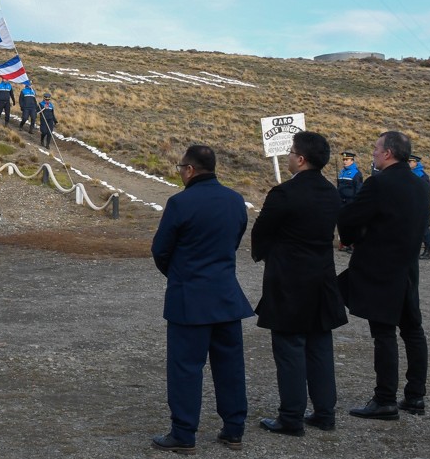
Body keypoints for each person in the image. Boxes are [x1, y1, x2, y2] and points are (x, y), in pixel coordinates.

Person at [149, 144, 254, 453]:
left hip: (189, 298)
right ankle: (234, 429)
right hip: (226, 296)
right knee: (230, 366)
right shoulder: (236, 200)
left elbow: (160, 250)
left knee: (185, 368)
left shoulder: (180, 203)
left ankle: (184, 433)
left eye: (181, 168)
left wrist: (179, 274)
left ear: (190, 169)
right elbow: (233, 242)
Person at [250, 131, 347, 436]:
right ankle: (325, 413)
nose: (289, 157)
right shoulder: (332, 193)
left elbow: (261, 233)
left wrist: (267, 255)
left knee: (290, 348)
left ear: (301, 159)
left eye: (291, 152)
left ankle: (291, 417)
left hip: (289, 281)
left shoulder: (284, 193)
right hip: (322, 279)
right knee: (320, 346)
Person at [338, 130, 430, 420]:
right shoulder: (420, 185)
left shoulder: (378, 183)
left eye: (377, 149)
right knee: (412, 330)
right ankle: (415, 396)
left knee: (384, 332)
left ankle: (385, 399)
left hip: (380, 267)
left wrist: (350, 238)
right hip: (408, 266)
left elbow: (350, 218)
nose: (374, 153)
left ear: (388, 153)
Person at [335, 152, 363, 252]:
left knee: (351, 224)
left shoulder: (356, 173)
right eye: (343, 159)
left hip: (350, 202)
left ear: (352, 160)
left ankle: (352, 245)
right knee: (342, 223)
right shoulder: (342, 172)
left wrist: (356, 203)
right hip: (341, 202)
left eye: (347, 159)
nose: (344, 161)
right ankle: (343, 243)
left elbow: (358, 190)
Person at [409, 155, 430, 259]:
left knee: (424, 228)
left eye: (410, 162)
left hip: (421, 206)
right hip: (411, 205)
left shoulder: (421, 175)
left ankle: (427, 250)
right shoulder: (410, 174)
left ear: (416, 163)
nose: (408, 163)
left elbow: (426, 192)